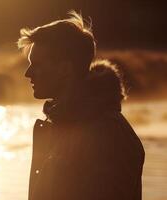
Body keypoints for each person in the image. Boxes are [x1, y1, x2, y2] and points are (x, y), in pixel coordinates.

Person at [18, 11, 145, 200]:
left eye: (37, 64)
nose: (28, 73)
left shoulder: (108, 135)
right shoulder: (62, 123)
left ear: (64, 69)